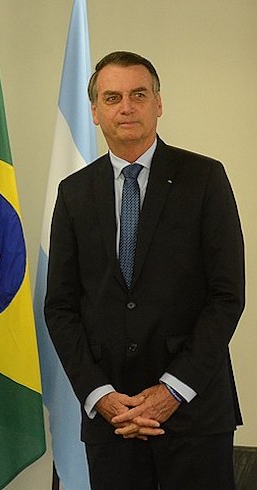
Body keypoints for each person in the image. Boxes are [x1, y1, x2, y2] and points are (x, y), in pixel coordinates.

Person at [44, 51, 244, 489]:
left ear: (158, 103)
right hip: (111, 417)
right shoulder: (74, 193)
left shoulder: (205, 178)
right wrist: (101, 396)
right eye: (112, 97)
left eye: (139, 94)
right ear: (95, 112)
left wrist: (171, 390)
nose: (127, 107)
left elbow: (227, 297)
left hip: (193, 412)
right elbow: (60, 306)